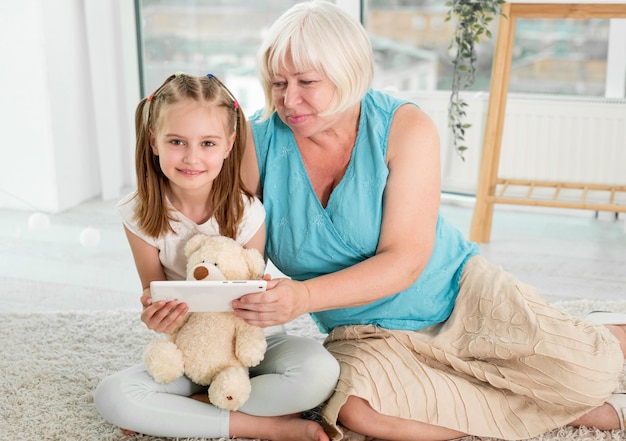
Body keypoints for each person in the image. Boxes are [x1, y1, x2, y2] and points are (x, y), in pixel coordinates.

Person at [236, 2, 626, 441]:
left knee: (590, 371)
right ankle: (571, 413)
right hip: (364, 334)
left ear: (349, 74)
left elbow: (405, 261)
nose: (288, 100)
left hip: (457, 295)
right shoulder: (256, 143)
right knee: (359, 413)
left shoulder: (404, 126)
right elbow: (233, 256)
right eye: (277, 83)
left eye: (307, 82)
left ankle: (606, 333)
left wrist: (303, 296)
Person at [93, 72, 340, 441]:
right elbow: (152, 292)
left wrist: (264, 299)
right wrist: (156, 316)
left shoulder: (247, 212)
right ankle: (262, 426)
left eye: (207, 143)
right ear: (154, 141)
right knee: (112, 397)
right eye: (177, 141)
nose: (192, 157)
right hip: (189, 348)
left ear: (229, 145)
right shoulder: (138, 214)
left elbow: (252, 286)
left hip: (255, 343)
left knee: (320, 372)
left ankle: (186, 411)